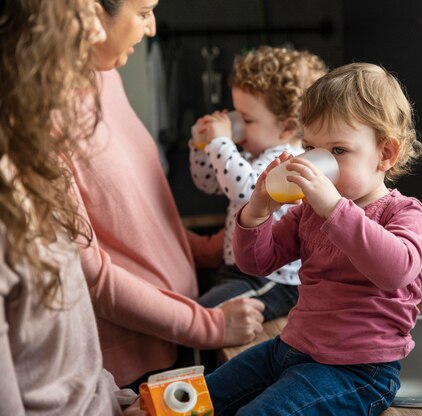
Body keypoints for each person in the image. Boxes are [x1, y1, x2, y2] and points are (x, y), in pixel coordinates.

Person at [204, 63, 422, 415]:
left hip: (357, 372)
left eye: (338, 151)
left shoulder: (404, 213)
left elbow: (395, 271)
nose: (318, 161)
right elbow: (255, 262)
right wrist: (258, 209)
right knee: (200, 398)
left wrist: (334, 207)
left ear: (386, 154)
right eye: (310, 147)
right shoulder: (309, 212)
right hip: (291, 349)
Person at [71, 0, 265, 390]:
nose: (153, 28)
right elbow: (91, 278)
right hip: (130, 368)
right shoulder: (37, 121)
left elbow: (130, 216)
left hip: (178, 337)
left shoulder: (105, 76)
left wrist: (214, 247)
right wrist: (209, 325)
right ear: (90, 12)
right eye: (143, 12)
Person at [0, 0, 142, 414]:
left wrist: (120, 403)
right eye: (78, 18)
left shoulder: (36, 157)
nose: (98, 34)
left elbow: (69, 363)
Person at [189, 46, 327, 320]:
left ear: (287, 127)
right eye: (236, 115)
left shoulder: (286, 160)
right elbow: (210, 183)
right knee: (191, 311)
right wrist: (200, 145)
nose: (237, 125)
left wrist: (221, 142)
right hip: (240, 269)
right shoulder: (256, 153)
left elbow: (246, 191)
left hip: (273, 279)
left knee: (197, 316)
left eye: (247, 119)